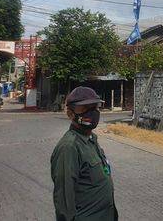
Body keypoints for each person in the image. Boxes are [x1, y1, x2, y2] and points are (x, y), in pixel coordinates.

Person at [51, 86, 118, 220]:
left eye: (95, 107)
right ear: (70, 114)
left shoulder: (91, 139)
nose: (92, 113)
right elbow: (64, 202)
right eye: (85, 108)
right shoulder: (69, 147)